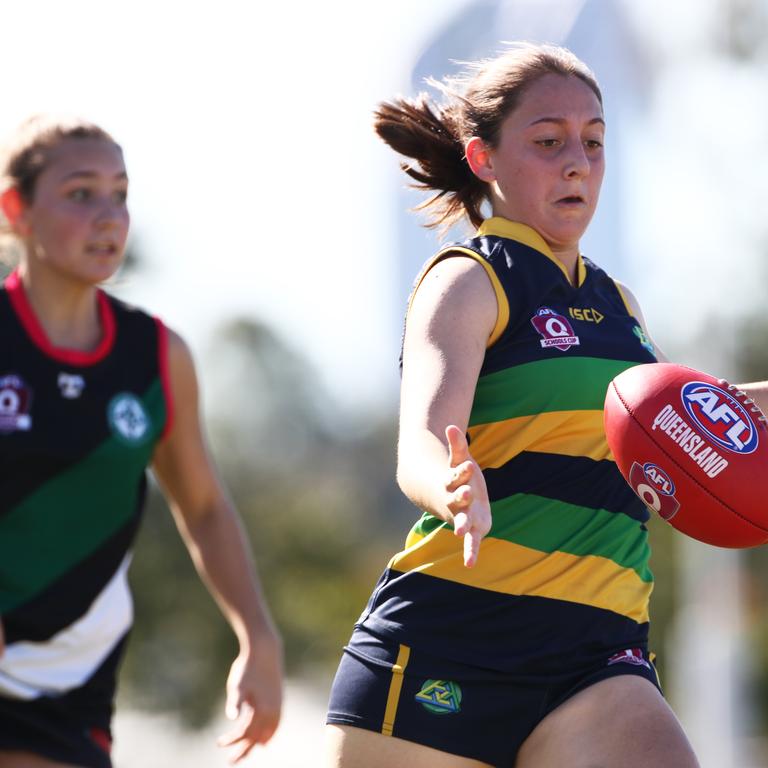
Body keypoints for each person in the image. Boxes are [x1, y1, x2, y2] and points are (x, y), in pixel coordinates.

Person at [325, 43, 703, 767]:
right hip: (451, 644)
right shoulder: (469, 280)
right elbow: (424, 444)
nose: (578, 164)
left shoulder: (618, 304)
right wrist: (453, 486)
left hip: (595, 655)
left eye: (594, 142)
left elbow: (691, 419)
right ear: (483, 158)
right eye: (548, 141)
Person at [0, 116, 283, 768]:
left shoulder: (155, 356)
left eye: (119, 194)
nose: (108, 216)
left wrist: (258, 639)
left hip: (74, 693)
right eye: (80, 194)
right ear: (18, 209)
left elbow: (205, 508)